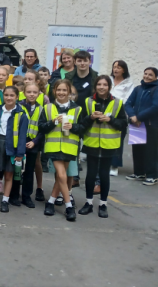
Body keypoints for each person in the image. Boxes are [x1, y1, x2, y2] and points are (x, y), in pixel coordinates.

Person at [78, 76, 127, 217]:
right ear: (95, 86)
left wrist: (110, 119)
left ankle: (103, 204)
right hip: (92, 143)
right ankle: (88, 203)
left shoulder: (117, 103)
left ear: (109, 87)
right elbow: (81, 122)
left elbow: (123, 124)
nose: (101, 87)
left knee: (104, 175)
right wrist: (91, 117)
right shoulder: (88, 101)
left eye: (105, 84)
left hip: (108, 145)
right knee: (91, 174)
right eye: (99, 84)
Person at [38, 79, 84, 221]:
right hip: (53, 147)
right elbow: (41, 127)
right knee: (62, 175)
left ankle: (51, 202)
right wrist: (53, 122)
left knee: (60, 176)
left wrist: (73, 127)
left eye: (64, 90)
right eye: (59, 90)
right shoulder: (48, 108)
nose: (61, 92)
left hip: (70, 148)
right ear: (54, 91)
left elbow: (83, 128)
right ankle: (69, 206)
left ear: (69, 92)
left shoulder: (78, 109)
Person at [11, 82, 46, 207]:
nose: (32, 94)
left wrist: (34, 142)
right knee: (16, 170)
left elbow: (42, 129)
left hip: (33, 144)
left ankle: (26, 196)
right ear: (24, 93)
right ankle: (14, 195)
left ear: (39, 94)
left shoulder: (42, 109)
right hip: (18, 143)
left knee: (29, 170)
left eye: (34, 92)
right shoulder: (18, 106)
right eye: (29, 92)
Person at [125, 67, 158, 185]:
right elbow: (128, 104)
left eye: (150, 75)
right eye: (145, 74)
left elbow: (155, 107)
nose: (147, 76)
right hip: (137, 124)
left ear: (156, 77)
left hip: (150, 125)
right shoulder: (138, 89)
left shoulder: (156, 89)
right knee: (137, 149)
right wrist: (133, 116)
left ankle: (152, 176)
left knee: (151, 151)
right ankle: (139, 173)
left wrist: (139, 117)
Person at [110, 60, 135, 176]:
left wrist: (113, 102)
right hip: (105, 113)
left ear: (124, 70)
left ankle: (114, 165)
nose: (115, 69)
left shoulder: (129, 84)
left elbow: (127, 100)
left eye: (118, 67)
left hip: (120, 115)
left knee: (118, 141)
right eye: (114, 67)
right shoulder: (108, 80)